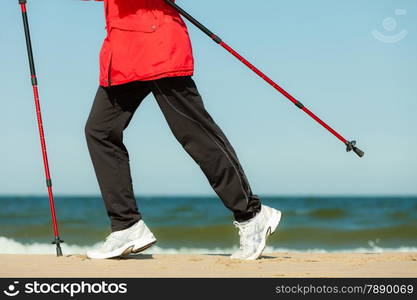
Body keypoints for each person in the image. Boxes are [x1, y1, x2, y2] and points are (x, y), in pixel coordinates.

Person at [84, 0, 281, 260]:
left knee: (197, 136)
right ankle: (127, 226)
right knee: (100, 131)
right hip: (124, 52)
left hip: (158, 46)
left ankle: (251, 215)